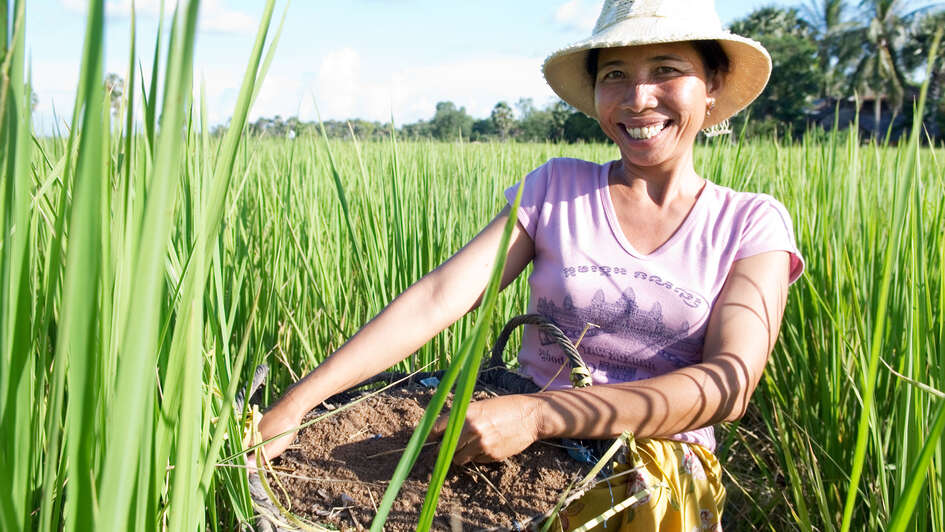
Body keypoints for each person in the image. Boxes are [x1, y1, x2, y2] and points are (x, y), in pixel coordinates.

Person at [253, 0, 805, 529]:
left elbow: (729, 385)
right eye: (615, 74)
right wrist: (298, 403)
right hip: (517, 447)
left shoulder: (750, 224)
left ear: (710, 85)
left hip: (651, 472)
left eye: (667, 70)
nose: (639, 98)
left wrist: (539, 417)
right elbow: (440, 297)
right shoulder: (556, 188)